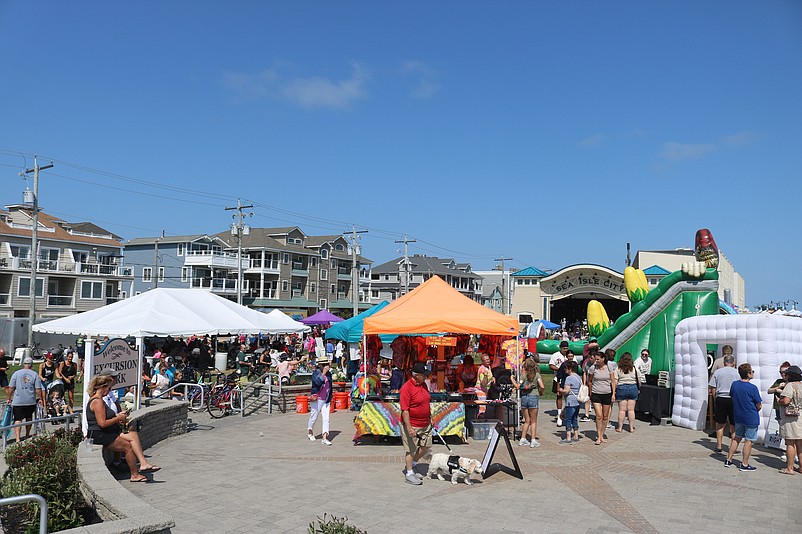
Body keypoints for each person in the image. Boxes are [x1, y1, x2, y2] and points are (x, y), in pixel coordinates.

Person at [85, 374, 160, 483]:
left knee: (132, 434)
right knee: (127, 447)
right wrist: (118, 418)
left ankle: (143, 463)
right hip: (99, 434)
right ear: (103, 387)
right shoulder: (97, 401)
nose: (109, 391)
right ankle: (134, 474)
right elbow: (102, 423)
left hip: (104, 431)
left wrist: (118, 416)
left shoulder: (99, 399)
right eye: (109, 388)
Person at [724, 363, 762, 471]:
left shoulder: (735, 384)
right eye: (752, 371)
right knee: (748, 440)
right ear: (748, 374)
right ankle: (744, 464)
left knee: (737, 437)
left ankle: (729, 459)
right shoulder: (752, 388)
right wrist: (756, 409)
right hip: (750, 416)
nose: (753, 373)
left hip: (738, 415)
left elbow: (732, 396)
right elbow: (759, 404)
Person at [399, 362, 432, 485]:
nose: (426, 377)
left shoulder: (423, 385)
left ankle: (413, 464)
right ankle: (409, 473)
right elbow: (405, 410)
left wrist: (430, 416)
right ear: (416, 375)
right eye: (424, 375)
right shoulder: (406, 388)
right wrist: (409, 427)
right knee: (411, 450)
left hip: (425, 423)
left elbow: (426, 402)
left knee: (426, 446)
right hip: (412, 423)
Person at [6, 356, 45, 443]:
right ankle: (27, 434)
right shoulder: (34, 374)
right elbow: (38, 389)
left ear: (24, 364)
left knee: (18, 419)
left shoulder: (16, 373)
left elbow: (11, 387)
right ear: (31, 365)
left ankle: (17, 438)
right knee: (28, 418)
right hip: (30, 400)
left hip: (18, 401)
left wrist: (9, 398)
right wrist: (41, 398)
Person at [708, 355, 740, 454]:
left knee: (720, 424)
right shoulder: (737, 373)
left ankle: (719, 446)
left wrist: (715, 398)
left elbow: (713, 387)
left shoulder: (718, 372)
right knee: (733, 424)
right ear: (733, 363)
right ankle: (733, 447)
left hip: (721, 398)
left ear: (724, 363)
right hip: (733, 399)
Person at [512, 358, 544, 448]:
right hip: (533, 397)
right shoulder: (537, 375)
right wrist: (541, 391)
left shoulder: (523, 375)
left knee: (526, 420)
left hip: (524, 397)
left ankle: (523, 438)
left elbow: (518, 386)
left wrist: (512, 380)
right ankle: (533, 440)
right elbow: (542, 386)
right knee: (533, 421)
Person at [587, 350, 616, 445]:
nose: (596, 361)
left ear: (603, 359)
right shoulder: (593, 368)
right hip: (596, 393)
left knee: (605, 416)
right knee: (598, 416)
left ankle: (602, 435)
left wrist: (613, 394)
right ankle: (598, 436)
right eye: (595, 359)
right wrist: (590, 391)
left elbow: (612, 381)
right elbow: (590, 380)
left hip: (607, 393)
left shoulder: (609, 366)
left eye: (598, 359)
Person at [778, 365, 802, 475]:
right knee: (800, 444)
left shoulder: (790, 385)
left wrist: (779, 401)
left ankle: (790, 468)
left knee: (790, 443)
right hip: (801, 416)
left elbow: (786, 400)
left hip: (791, 418)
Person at [307, 358, 333, 445]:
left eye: (327, 364)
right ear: (321, 365)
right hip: (317, 399)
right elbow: (317, 383)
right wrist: (323, 374)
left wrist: (330, 397)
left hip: (326, 399)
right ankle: (310, 431)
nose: (327, 366)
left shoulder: (329, 374)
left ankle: (324, 438)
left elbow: (330, 387)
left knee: (326, 419)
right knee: (314, 416)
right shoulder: (316, 373)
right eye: (325, 365)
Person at [615, 352, 640, 433]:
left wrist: (614, 391)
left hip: (621, 387)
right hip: (633, 387)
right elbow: (639, 379)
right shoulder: (634, 368)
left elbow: (615, 380)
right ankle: (631, 428)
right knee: (631, 410)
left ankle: (620, 428)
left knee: (622, 410)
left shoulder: (618, 368)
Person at [559, 360, 583, 444]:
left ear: (570, 369)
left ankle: (568, 437)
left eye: (566, 368)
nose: (565, 370)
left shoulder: (569, 378)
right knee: (575, 418)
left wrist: (561, 390)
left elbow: (566, 391)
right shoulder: (578, 377)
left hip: (570, 400)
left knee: (568, 419)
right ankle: (576, 435)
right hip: (578, 401)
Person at [550, 341, 570, 426]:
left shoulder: (570, 355)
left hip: (568, 379)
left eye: (566, 348)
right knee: (559, 396)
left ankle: (566, 413)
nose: (565, 350)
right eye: (563, 348)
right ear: (560, 348)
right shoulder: (555, 355)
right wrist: (559, 370)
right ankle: (559, 412)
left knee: (568, 397)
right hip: (558, 378)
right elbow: (551, 365)